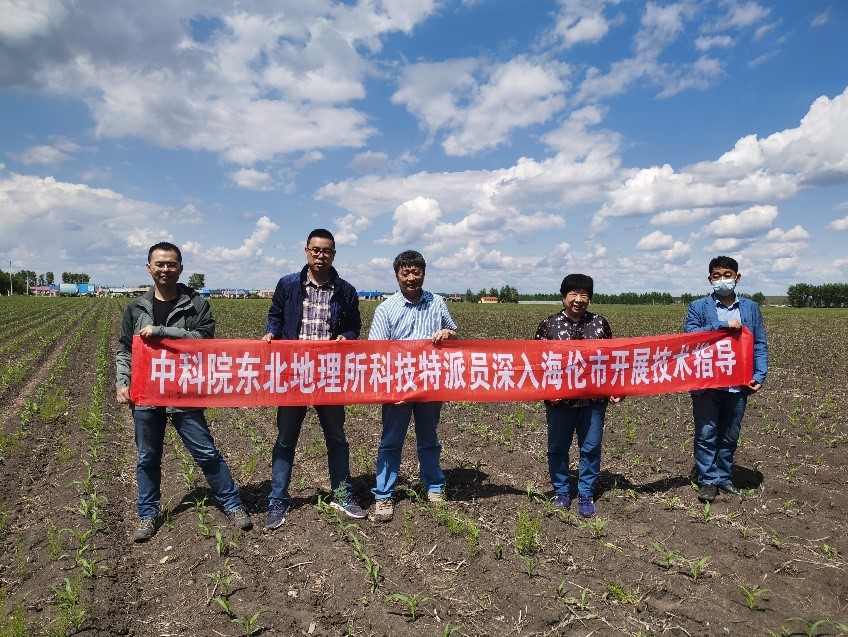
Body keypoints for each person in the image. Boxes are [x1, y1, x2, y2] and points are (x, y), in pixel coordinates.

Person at [116, 242, 252, 543]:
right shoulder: (136, 308)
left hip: (184, 392)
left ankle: (232, 504)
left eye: (171, 264)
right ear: (149, 268)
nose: (165, 269)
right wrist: (122, 382)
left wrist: (163, 332)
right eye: (159, 264)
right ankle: (147, 514)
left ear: (181, 268)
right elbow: (125, 348)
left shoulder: (196, 304)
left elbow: (203, 340)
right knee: (147, 457)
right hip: (147, 393)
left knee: (206, 452)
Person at [261, 229, 365, 529]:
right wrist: (271, 332)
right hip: (293, 374)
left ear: (334, 254)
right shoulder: (288, 284)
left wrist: (346, 337)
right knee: (285, 440)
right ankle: (278, 501)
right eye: (316, 250)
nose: (321, 256)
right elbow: (276, 316)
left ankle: (342, 495)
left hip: (329, 375)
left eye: (327, 251)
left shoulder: (346, 290)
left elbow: (354, 325)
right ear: (306, 251)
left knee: (337, 438)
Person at [369, 250, 458, 522]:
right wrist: (388, 388)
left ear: (424, 274)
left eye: (416, 272)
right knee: (391, 441)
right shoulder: (386, 309)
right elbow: (377, 352)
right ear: (397, 275)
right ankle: (384, 494)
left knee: (429, 438)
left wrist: (448, 333)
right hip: (397, 386)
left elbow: (454, 334)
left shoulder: (437, 302)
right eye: (405, 273)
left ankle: (433, 485)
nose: (411, 278)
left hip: (431, 383)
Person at [534, 274, 621, 518]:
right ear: (563, 296)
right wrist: (547, 390)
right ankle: (561, 491)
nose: (578, 299)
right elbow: (537, 363)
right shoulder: (549, 325)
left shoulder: (600, 324)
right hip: (559, 401)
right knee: (557, 448)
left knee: (591, 448)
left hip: (593, 401)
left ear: (589, 298)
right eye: (573, 293)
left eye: (584, 294)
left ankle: (585, 493)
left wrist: (616, 388)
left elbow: (610, 360)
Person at [684, 256, 768, 503]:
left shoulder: (750, 308)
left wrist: (759, 373)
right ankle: (707, 480)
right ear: (710, 279)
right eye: (717, 276)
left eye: (727, 275)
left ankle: (724, 476)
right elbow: (690, 335)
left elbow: (759, 343)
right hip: (707, 383)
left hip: (738, 383)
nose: (722, 280)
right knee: (706, 433)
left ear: (737, 278)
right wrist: (723, 325)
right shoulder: (698, 307)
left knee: (730, 434)